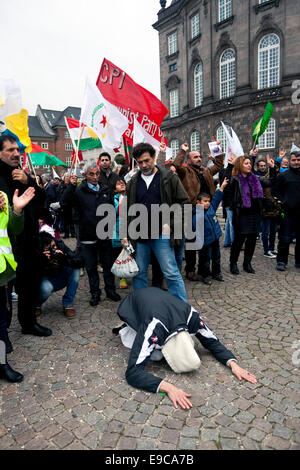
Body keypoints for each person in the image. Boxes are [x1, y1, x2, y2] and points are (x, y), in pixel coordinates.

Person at [114, 288, 257, 409]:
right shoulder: (153, 328)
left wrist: (233, 364)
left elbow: (212, 342)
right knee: (155, 356)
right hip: (132, 304)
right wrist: (168, 388)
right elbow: (133, 372)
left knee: (155, 353)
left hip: (158, 299)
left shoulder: (191, 317)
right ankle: (127, 329)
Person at [121, 143, 190, 303]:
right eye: (140, 162)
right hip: (139, 236)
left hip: (162, 235)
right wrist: (124, 233)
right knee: (139, 274)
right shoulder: (132, 182)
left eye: (147, 160)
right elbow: (127, 210)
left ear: (153, 157)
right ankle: (144, 306)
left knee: (171, 272)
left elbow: (184, 202)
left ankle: (182, 307)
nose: (144, 165)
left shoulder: (168, 177)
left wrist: (172, 224)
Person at [0, 135, 52, 337]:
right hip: (7, 246)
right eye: (10, 150)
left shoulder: (21, 174)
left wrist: (29, 180)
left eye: (17, 150)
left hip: (29, 242)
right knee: (4, 293)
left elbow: (41, 199)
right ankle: (3, 334)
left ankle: (28, 323)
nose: (16, 153)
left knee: (29, 286)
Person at [61, 161, 121, 306]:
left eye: (97, 174)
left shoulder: (106, 189)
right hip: (87, 236)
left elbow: (112, 210)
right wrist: (71, 186)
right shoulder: (79, 191)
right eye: (91, 174)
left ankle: (110, 290)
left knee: (107, 265)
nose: (95, 177)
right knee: (91, 267)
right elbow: (64, 203)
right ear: (85, 175)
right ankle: (95, 293)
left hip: (104, 234)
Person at [172, 141, 224, 281]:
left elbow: (219, 165)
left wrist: (216, 148)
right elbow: (176, 165)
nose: (199, 159)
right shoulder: (185, 172)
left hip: (207, 210)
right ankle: (190, 270)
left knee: (206, 241)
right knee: (191, 242)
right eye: (195, 157)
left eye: (200, 157)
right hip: (192, 210)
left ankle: (204, 269)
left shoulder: (206, 171)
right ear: (189, 160)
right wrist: (182, 151)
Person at [0, 186, 36, 382]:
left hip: (3, 270)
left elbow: (13, 229)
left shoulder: (2, 196)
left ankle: (2, 363)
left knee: (1, 322)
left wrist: (17, 210)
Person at [225, 155, 265, 275]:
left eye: (250, 163)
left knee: (252, 239)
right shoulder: (235, 179)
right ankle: (233, 263)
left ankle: (247, 263)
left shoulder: (255, 178)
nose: (249, 165)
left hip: (254, 213)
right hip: (241, 213)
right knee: (239, 240)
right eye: (246, 163)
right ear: (240, 165)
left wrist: (273, 168)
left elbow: (269, 182)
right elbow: (227, 192)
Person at [35, 232, 82, 318]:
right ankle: (36, 305)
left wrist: (63, 258)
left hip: (60, 276)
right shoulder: (36, 251)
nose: (53, 248)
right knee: (46, 288)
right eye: (48, 248)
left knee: (75, 269)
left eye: (53, 245)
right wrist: (43, 261)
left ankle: (68, 304)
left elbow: (78, 261)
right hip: (46, 280)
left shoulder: (59, 244)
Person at [194, 177, 229, 285]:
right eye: (205, 201)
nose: (207, 203)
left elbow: (217, 198)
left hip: (215, 238)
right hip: (205, 242)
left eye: (208, 201)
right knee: (205, 259)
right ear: (198, 202)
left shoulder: (211, 208)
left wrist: (222, 187)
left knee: (217, 257)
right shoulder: (197, 214)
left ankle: (216, 273)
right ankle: (205, 275)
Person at [272, 147, 300, 271]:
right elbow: (275, 191)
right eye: (294, 160)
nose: (296, 162)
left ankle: (299, 262)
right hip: (287, 212)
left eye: (298, 160)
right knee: (284, 238)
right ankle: (281, 261)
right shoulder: (283, 176)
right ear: (289, 161)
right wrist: (284, 201)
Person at [112, 178, 128, 289]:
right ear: (115, 189)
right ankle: (122, 277)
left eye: (123, 183)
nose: (121, 184)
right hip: (118, 229)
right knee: (120, 254)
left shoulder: (131, 197)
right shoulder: (115, 199)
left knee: (130, 252)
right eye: (118, 183)